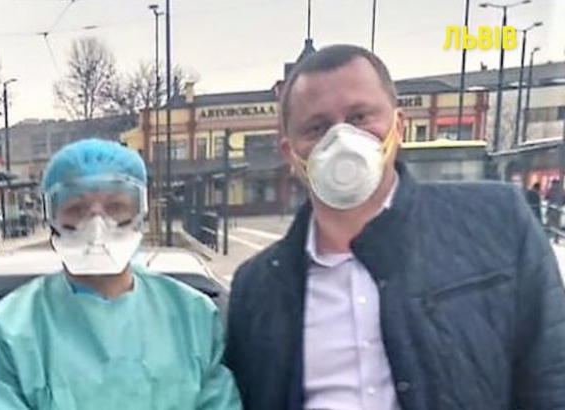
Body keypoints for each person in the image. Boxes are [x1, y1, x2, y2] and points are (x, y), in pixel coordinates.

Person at [224, 44, 565, 409]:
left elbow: (553, 378)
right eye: (317, 128)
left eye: (359, 117)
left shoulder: (497, 224)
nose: (340, 139)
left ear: (398, 127)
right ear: (290, 154)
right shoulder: (257, 288)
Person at [0, 138, 242, 410]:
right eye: (77, 209)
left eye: (116, 207)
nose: (96, 226)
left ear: (141, 212)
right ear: (52, 218)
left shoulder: (193, 317)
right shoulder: (7, 330)